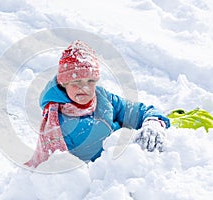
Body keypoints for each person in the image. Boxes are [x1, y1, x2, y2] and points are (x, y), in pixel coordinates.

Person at [25, 40, 170, 168]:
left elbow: (136, 111)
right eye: (77, 82)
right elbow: (63, 170)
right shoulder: (57, 122)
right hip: (107, 174)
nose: (85, 88)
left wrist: (153, 122)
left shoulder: (102, 97)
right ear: (64, 83)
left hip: (134, 153)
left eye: (90, 81)